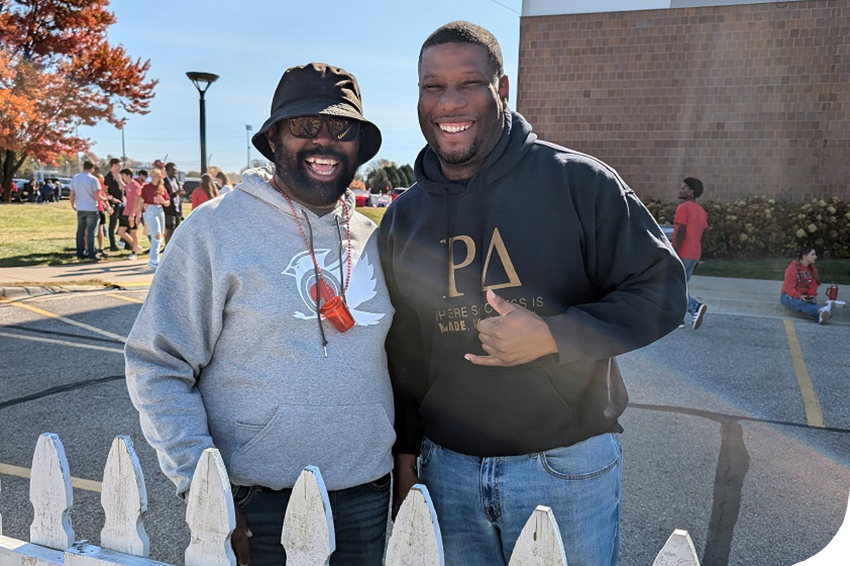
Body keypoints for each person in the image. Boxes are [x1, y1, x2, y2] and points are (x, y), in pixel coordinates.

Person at [378, 22, 686, 566]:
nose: (449, 102)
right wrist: (407, 456)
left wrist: (552, 336)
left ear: (502, 89)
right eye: (432, 86)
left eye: (469, 83)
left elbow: (660, 289)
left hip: (564, 465)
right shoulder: (405, 216)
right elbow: (403, 350)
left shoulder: (579, 182)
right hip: (447, 471)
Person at [125, 62, 393, 566]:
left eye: (341, 128)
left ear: (359, 145)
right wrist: (205, 490)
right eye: (305, 125)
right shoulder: (214, 230)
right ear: (273, 139)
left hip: (365, 494)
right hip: (256, 502)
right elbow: (158, 364)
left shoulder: (375, 239)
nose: (324, 141)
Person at [673, 177, 709, 329]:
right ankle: (678, 320)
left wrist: (674, 254)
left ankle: (695, 307)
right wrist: (699, 256)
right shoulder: (701, 211)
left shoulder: (683, 208)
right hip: (694, 255)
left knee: (673, 286)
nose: (681, 190)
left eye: (684, 188)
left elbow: (680, 232)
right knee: (680, 286)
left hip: (682, 253)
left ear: (691, 192)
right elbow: (704, 235)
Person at [780, 246, 832, 324]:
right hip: (788, 296)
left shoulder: (813, 270)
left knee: (811, 303)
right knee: (800, 303)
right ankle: (823, 312)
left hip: (804, 296)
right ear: (804, 256)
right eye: (813, 254)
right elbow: (789, 288)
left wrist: (810, 295)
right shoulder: (792, 268)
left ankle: (820, 316)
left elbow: (813, 285)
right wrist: (799, 296)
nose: (816, 257)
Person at [70, 161, 108, 261]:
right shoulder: (93, 179)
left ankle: (80, 252)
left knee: (80, 232)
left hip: (81, 207)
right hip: (91, 208)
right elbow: (97, 196)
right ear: (92, 168)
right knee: (91, 232)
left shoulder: (76, 178)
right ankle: (92, 253)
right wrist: (106, 199)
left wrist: (73, 204)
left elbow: (72, 194)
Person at [140, 168, 170, 269]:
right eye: (152, 175)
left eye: (156, 175)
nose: (153, 177)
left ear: (160, 177)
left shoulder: (162, 188)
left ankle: (155, 258)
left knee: (161, 234)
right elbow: (141, 201)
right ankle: (153, 260)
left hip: (160, 210)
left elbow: (168, 202)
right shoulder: (146, 187)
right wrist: (137, 214)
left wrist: (163, 201)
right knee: (156, 235)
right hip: (150, 209)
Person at [119, 167, 143, 260]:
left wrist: (133, 214)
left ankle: (134, 253)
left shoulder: (135, 186)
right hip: (126, 212)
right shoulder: (128, 185)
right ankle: (135, 246)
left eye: (124, 176)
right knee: (121, 232)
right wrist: (117, 177)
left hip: (133, 214)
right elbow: (122, 187)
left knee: (133, 233)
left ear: (128, 175)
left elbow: (138, 200)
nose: (123, 178)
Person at [104, 158, 126, 251]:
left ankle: (125, 242)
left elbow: (124, 188)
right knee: (112, 224)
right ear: (114, 165)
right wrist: (112, 199)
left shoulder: (120, 175)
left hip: (122, 202)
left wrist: (119, 179)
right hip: (113, 203)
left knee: (125, 223)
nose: (120, 167)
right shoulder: (108, 176)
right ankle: (113, 245)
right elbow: (104, 191)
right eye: (119, 166)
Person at [163, 161, 185, 244]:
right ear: (167, 171)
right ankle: (167, 247)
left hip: (177, 209)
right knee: (170, 229)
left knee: (176, 229)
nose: (175, 172)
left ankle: (173, 246)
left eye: (176, 170)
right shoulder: (164, 182)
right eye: (173, 170)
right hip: (169, 209)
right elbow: (166, 196)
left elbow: (178, 194)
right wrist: (176, 193)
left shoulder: (176, 180)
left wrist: (181, 193)